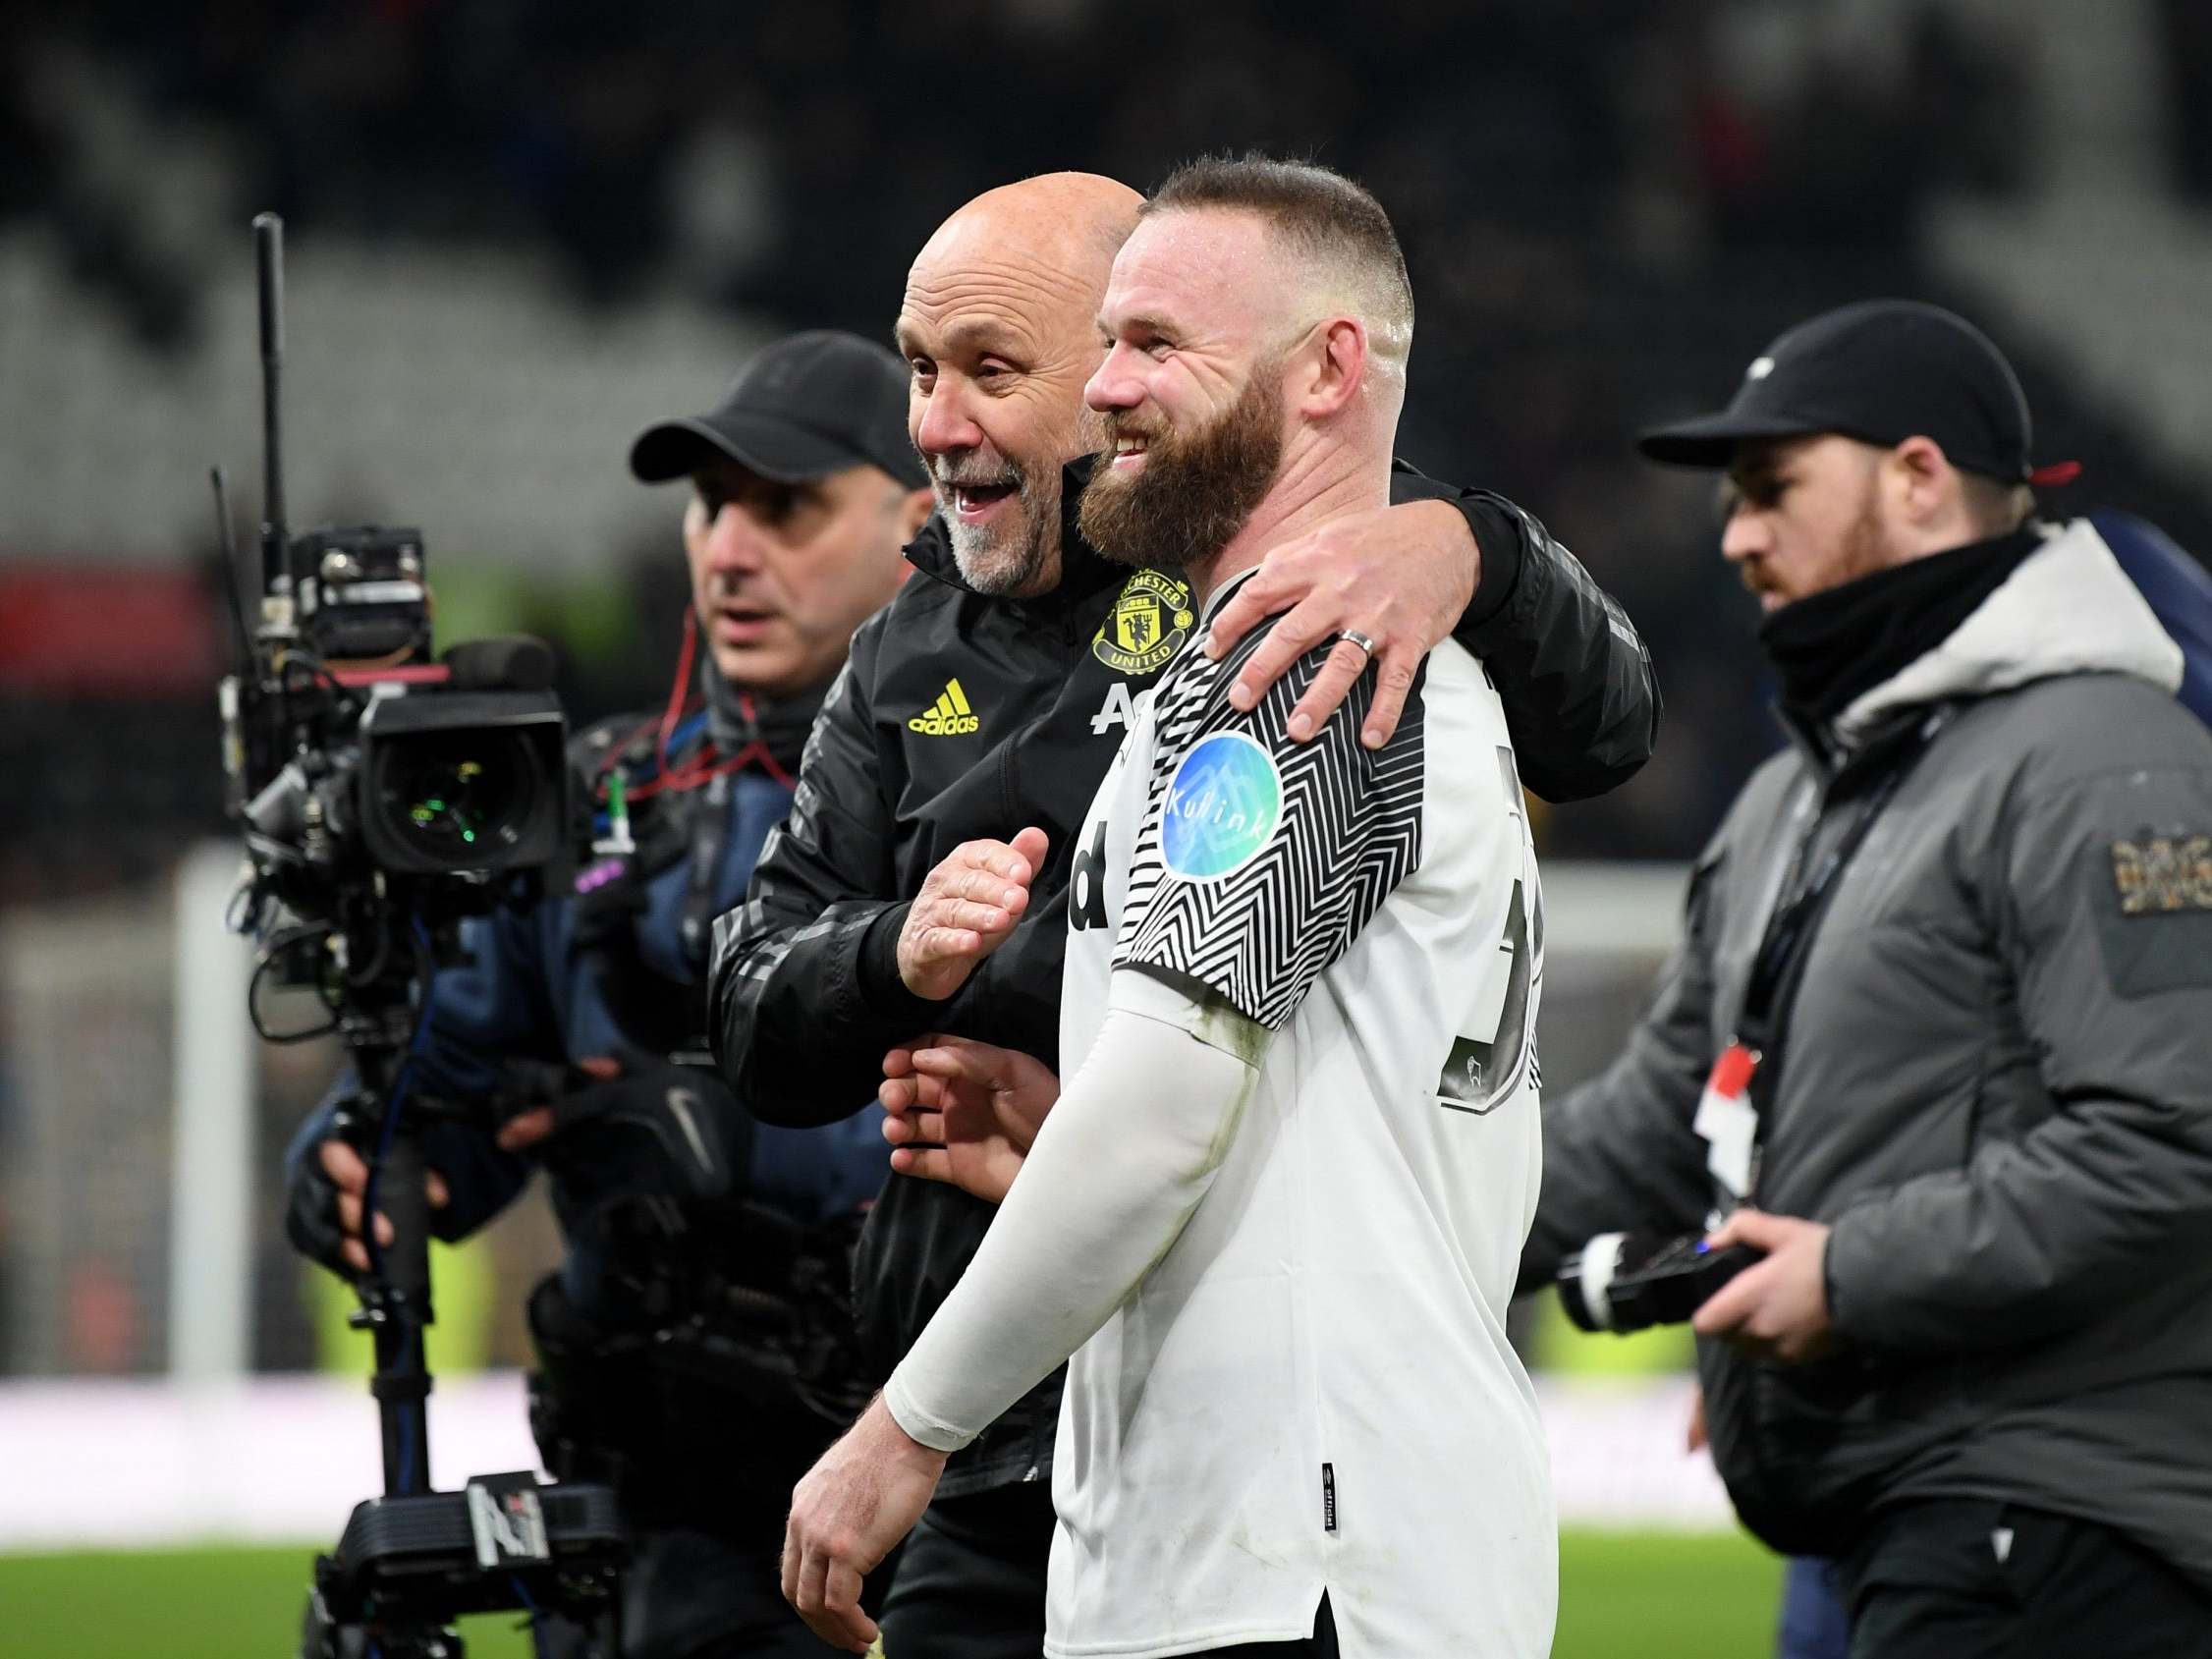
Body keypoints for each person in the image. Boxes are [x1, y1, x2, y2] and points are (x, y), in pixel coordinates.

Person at [709, 171, 1657, 1658]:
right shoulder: (1272, 649)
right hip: (1285, 1523)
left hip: (1294, 1546)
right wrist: (914, 975)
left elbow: (1161, 1112)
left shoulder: (1305, 659)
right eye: (1106, 345)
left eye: (1148, 343)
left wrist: (902, 1427)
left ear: (1326, 368)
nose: (1111, 386)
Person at [1519, 299, 2212, 1659]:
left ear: (1918, 479)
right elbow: (1659, 1118)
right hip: (1910, 1510)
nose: (1736, 536)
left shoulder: (2106, 761)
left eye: (1772, 487)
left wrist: (1848, 1274)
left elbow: (2174, 1135)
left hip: (2063, 1531)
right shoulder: (1804, 792)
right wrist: (1394, 1211)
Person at [282, 330, 934, 1659]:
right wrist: (353, 1163)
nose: (729, 549)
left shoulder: (992, 795)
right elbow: (435, 1117)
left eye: (787, 507)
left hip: (931, 1496)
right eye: (710, 505)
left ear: (921, 523)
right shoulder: (582, 806)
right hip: (653, 1530)